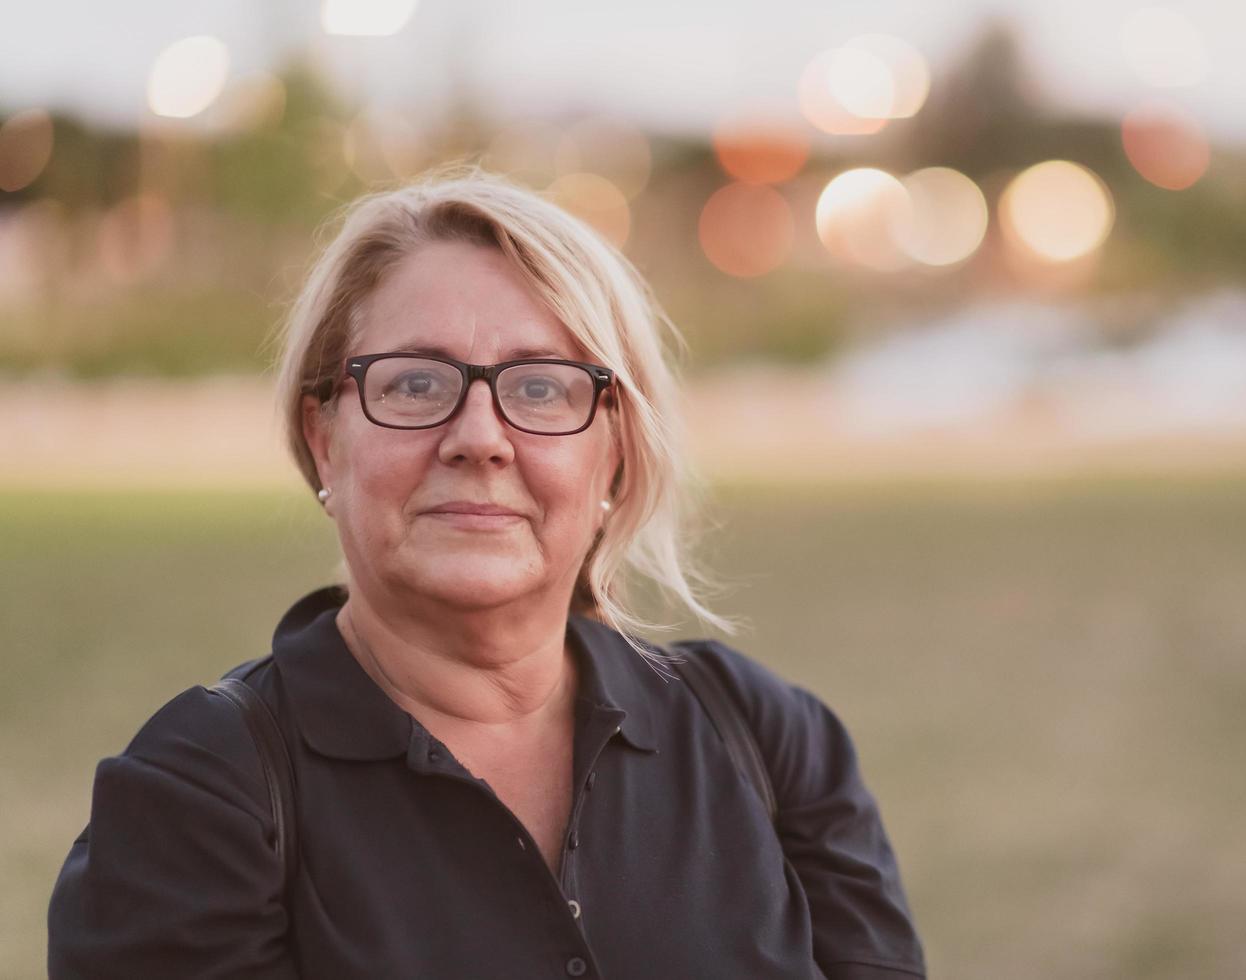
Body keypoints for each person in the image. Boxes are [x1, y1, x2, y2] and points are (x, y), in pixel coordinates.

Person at [48, 170, 926, 979]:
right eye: (417, 383)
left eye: (541, 388)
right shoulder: (197, 793)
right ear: (325, 439)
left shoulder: (770, 740)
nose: (479, 436)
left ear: (614, 455)